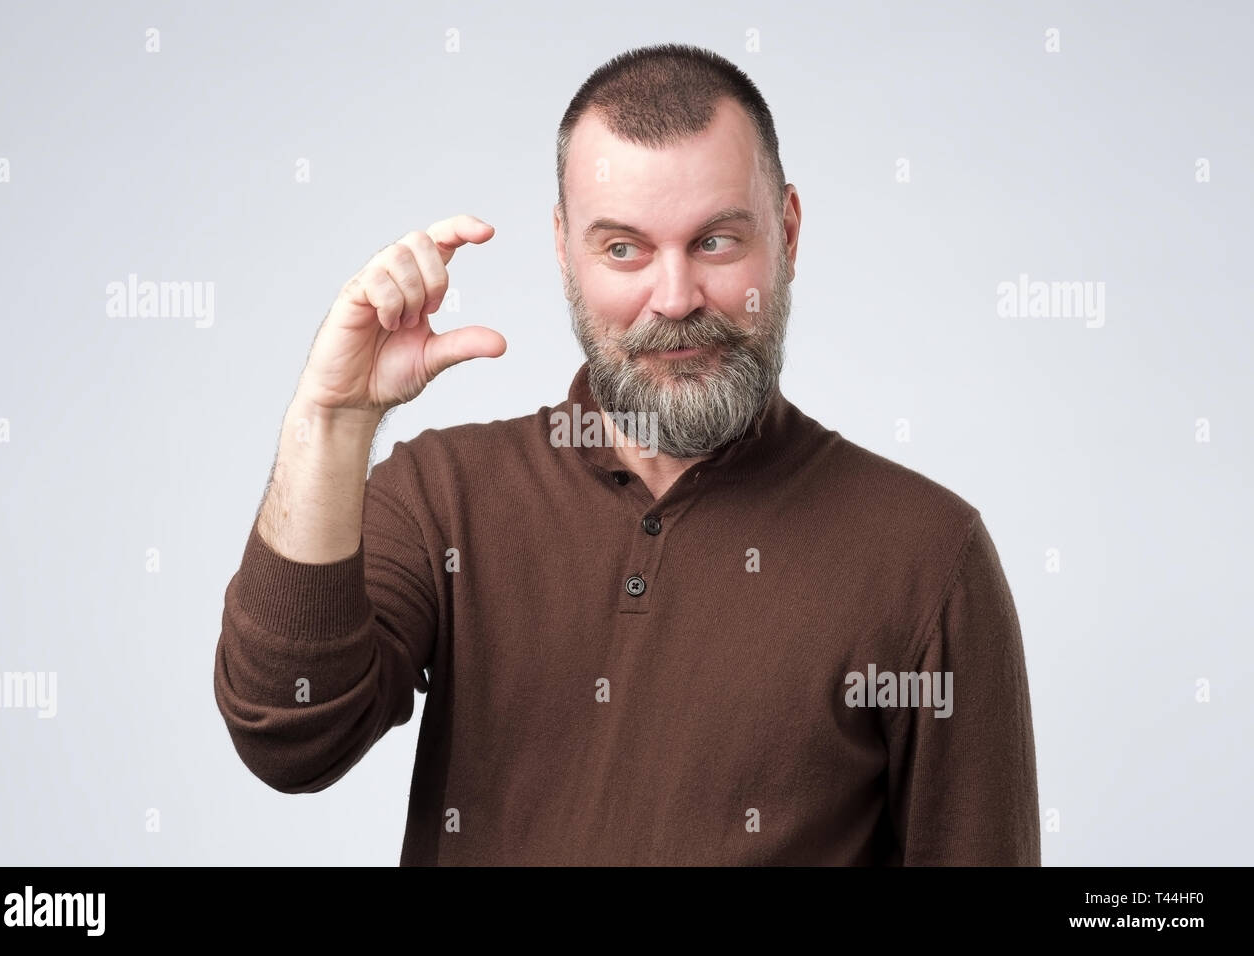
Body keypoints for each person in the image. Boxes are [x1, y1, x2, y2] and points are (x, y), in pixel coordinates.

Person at [213, 42, 1041, 866]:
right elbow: (289, 736)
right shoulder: (444, 498)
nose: (675, 299)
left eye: (716, 241)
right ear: (565, 249)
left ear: (787, 234)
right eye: (624, 250)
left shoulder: (928, 555)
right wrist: (332, 422)